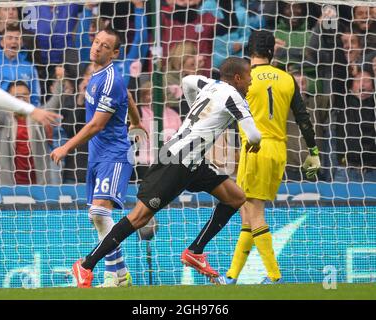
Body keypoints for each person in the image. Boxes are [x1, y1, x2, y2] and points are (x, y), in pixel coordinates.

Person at [67, 57, 262, 288]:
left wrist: (194, 119)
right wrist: (255, 144)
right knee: (140, 217)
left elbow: (188, 80)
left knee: (236, 197)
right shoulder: (235, 98)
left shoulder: (209, 84)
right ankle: (86, 264)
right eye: (249, 77)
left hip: (192, 160)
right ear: (238, 78)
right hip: (177, 160)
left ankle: (195, 251)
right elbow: (254, 136)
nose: (250, 82)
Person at [214, 30, 320, 285]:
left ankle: (274, 276)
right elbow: (303, 117)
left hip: (254, 148)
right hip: (278, 150)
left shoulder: (243, 79)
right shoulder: (287, 79)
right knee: (247, 214)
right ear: (273, 51)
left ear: (249, 52)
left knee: (254, 212)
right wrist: (313, 152)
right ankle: (231, 276)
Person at [50, 28, 141, 288]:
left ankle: (116, 276)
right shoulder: (99, 75)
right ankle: (118, 275)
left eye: (105, 45)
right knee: (97, 216)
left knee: (100, 212)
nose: (97, 47)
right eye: (96, 42)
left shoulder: (110, 80)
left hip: (113, 154)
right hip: (97, 155)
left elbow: (96, 126)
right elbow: (128, 95)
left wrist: (66, 147)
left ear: (114, 52)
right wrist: (136, 121)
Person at [0, 81, 62, 185]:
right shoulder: (2, 119)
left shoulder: (38, 116)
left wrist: (60, 79)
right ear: (8, 99)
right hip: (10, 185)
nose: (21, 99)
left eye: (25, 95)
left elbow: (56, 102)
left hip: (38, 184)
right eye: (17, 96)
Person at [0, 23, 41, 106]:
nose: (14, 41)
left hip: (25, 112)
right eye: (9, 38)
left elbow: (36, 96)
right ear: (2, 43)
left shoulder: (30, 67)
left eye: (17, 38)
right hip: (0, 112)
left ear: (21, 43)